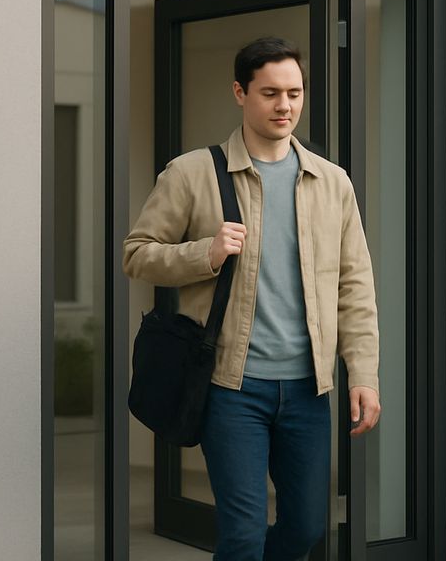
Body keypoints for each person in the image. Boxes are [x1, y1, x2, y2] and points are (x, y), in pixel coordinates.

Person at [123, 37, 380, 560]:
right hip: (231, 388)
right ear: (240, 93)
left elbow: (354, 285)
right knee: (241, 537)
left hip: (308, 389)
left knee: (306, 528)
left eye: (294, 93)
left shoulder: (332, 183)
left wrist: (364, 373)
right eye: (270, 93)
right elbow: (137, 254)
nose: (285, 105)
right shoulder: (192, 173)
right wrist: (206, 253)